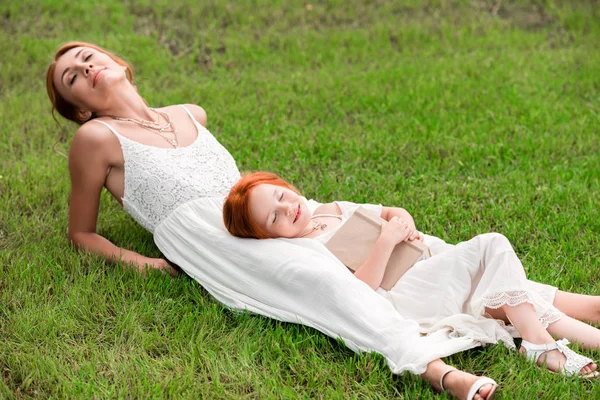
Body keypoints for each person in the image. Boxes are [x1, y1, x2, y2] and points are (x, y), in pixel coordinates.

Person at [44, 41, 597, 400]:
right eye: (72, 77)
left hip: (264, 211)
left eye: (88, 57)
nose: (85, 68)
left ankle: (573, 311)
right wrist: (145, 264)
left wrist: (296, 210)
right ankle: (434, 368)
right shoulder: (96, 138)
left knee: (419, 247)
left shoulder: (191, 114)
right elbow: (82, 233)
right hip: (210, 239)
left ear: (119, 61)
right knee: (320, 280)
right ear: (80, 109)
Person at [223, 171, 600, 381]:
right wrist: (387, 241)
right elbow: (360, 289)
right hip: (408, 291)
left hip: (430, 264)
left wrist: (405, 225)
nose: (288, 209)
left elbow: (392, 212)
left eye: (281, 197)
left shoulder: (331, 209)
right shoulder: (306, 250)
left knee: (519, 298)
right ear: (268, 236)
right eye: (274, 217)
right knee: (493, 245)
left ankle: (552, 343)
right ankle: (539, 344)